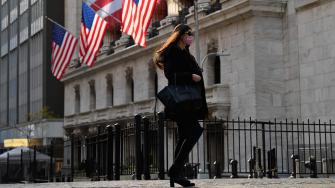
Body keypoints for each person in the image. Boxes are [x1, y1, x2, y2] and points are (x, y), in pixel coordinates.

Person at [154, 24, 208, 187]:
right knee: (195, 131)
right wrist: (190, 76)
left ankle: (176, 174)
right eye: (189, 33)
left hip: (189, 102)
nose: (191, 36)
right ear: (181, 35)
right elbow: (171, 74)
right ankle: (175, 170)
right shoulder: (173, 51)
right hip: (181, 101)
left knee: (185, 134)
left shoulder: (185, 52)